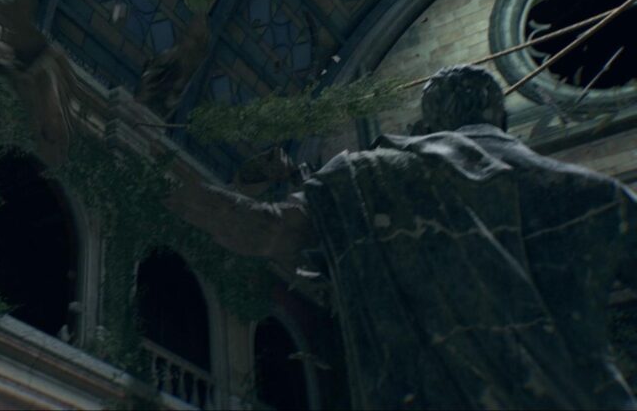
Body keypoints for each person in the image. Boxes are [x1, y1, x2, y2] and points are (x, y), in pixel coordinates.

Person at [169, 65, 637, 409]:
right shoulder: (598, 195)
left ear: (427, 121)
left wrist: (164, 182)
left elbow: (262, 230)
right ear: (501, 116)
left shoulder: (369, 177)